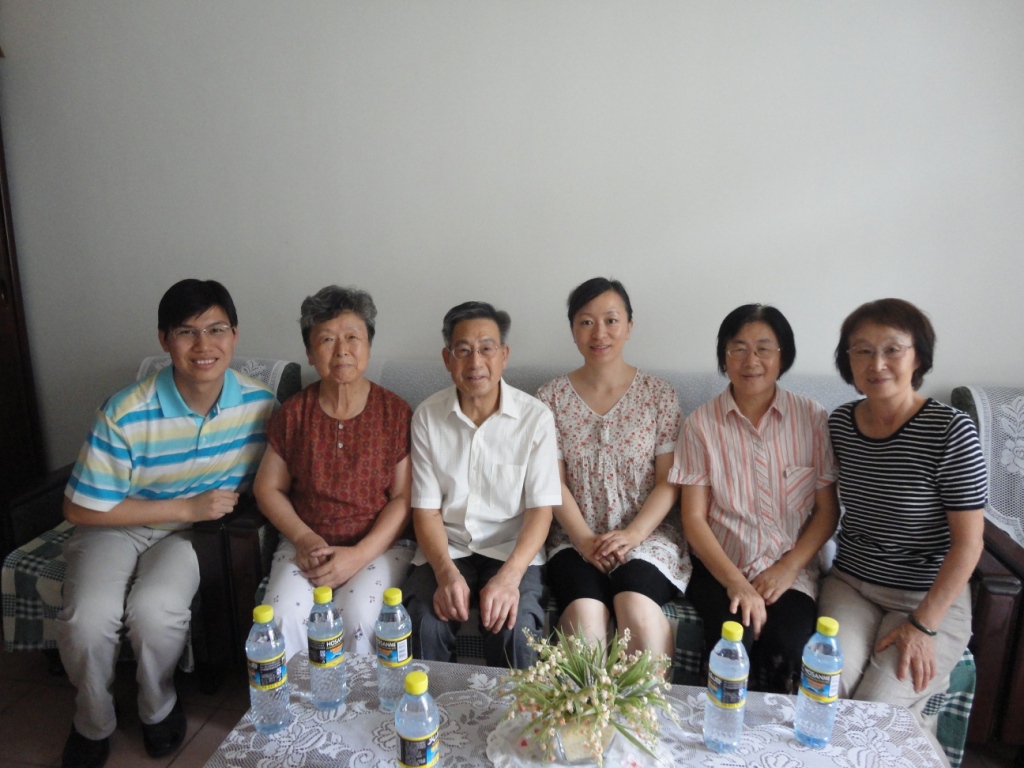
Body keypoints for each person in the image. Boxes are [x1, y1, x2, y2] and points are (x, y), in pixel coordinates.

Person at [58, 279, 276, 768]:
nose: (203, 345)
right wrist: (186, 508)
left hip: (190, 538)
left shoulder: (260, 405)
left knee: (156, 610)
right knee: (88, 617)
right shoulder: (125, 411)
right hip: (114, 526)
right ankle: (92, 720)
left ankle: (157, 706)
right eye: (186, 331)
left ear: (235, 336)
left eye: (216, 329)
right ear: (164, 340)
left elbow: (279, 478)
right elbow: (79, 509)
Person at [819, 298, 985, 758]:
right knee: (825, 689)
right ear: (848, 361)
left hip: (924, 597)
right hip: (852, 585)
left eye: (892, 349)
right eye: (862, 350)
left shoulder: (951, 431)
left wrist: (923, 626)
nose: (877, 364)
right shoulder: (841, 424)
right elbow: (822, 508)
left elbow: (969, 544)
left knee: (873, 711)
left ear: (918, 357)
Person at [671, 304, 839, 693]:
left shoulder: (812, 419)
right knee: (733, 642)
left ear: (783, 356)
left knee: (789, 647)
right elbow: (693, 519)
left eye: (764, 349)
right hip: (720, 566)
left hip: (789, 569)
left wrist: (787, 569)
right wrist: (736, 582)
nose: (751, 361)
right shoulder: (700, 425)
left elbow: (827, 511)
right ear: (724, 356)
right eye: (738, 348)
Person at [254, 285, 414, 659]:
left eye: (352, 338)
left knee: (358, 615)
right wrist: (304, 538)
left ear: (368, 346)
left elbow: (403, 497)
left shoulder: (395, 413)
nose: (341, 350)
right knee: (281, 615)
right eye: (327, 339)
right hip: (306, 545)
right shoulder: (293, 414)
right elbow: (268, 488)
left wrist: (358, 555)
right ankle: (299, 699)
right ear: (311, 354)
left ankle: (358, 698)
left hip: (378, 547)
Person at [403, 301, 561, 669]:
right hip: (448, 546)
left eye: (486, 348)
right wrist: (445, 573)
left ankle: (513, 710)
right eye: (463, 350)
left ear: (504, 355)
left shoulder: (535, 418)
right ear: (447, 359)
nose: (475, 362)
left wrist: (510, 577)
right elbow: (426, 510)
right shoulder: (427, 417)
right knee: (424, 623)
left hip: (511, 549)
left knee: (515, 632)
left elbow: (541, 511)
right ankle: (432, 706)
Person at [536, 277, 688, 658]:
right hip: (574, 536)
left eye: (611, 320)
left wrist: (633, 535)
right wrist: (585, 540)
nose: (599, 333)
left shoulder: (659, 395)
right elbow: (553, 483)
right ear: (573, 330)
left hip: (648, 535)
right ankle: (582, 699)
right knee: (585, 619)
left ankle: (648, 698)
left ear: (629, 327)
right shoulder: (550, 398)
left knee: (635, 605)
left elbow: (669, 482)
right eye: (586, 322)